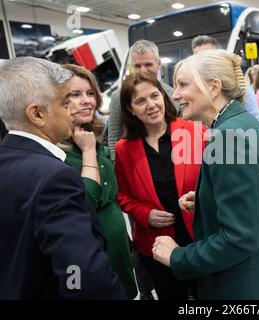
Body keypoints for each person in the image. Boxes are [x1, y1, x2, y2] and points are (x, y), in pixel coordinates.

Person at [152, 49, 259, 299]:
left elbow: (238, 238)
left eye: (183, 84)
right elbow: (256, 194)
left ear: (213, 87)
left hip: (246, 285)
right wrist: (207, 198)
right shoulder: (243, 123)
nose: (175, 94)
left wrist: (178, 256)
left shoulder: (227, 137)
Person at [0, 57, 126, 299]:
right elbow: (80, 272)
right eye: (65, 101)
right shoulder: (53, 177)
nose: (74, 108)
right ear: (37, 114)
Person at [114, 71, 205, 300]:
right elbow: (122, 195)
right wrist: (144, 214)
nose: (151, 105)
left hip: (199, 236)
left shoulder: (194, 132)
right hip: (156, 243)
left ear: (164, 97)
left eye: (154, 96)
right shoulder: (124, 149)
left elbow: (215, 180)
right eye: (140, 101)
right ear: (130, 109)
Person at [60, 64, 138, 299]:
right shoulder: (56, 151)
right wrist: (88, 152)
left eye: (90, 93)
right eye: (75, 94)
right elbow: (86, 203)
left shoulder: (93, 136)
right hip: (91, 248)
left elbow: (113, 194)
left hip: (118, 246)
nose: (86, 101)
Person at [108, 39, 177, 161]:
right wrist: (117, 170)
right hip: (135, 162)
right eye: (137, 66)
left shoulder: (173, 94)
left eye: (148, 65)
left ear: (158, 64)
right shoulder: (118, 97)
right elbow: (114, 137)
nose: (143, 70)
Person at [191, 34, 259, 126]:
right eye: (197, 57)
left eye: (207, 56)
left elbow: (258, 125)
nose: (202, 61)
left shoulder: (241, 86)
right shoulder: (192, 92)